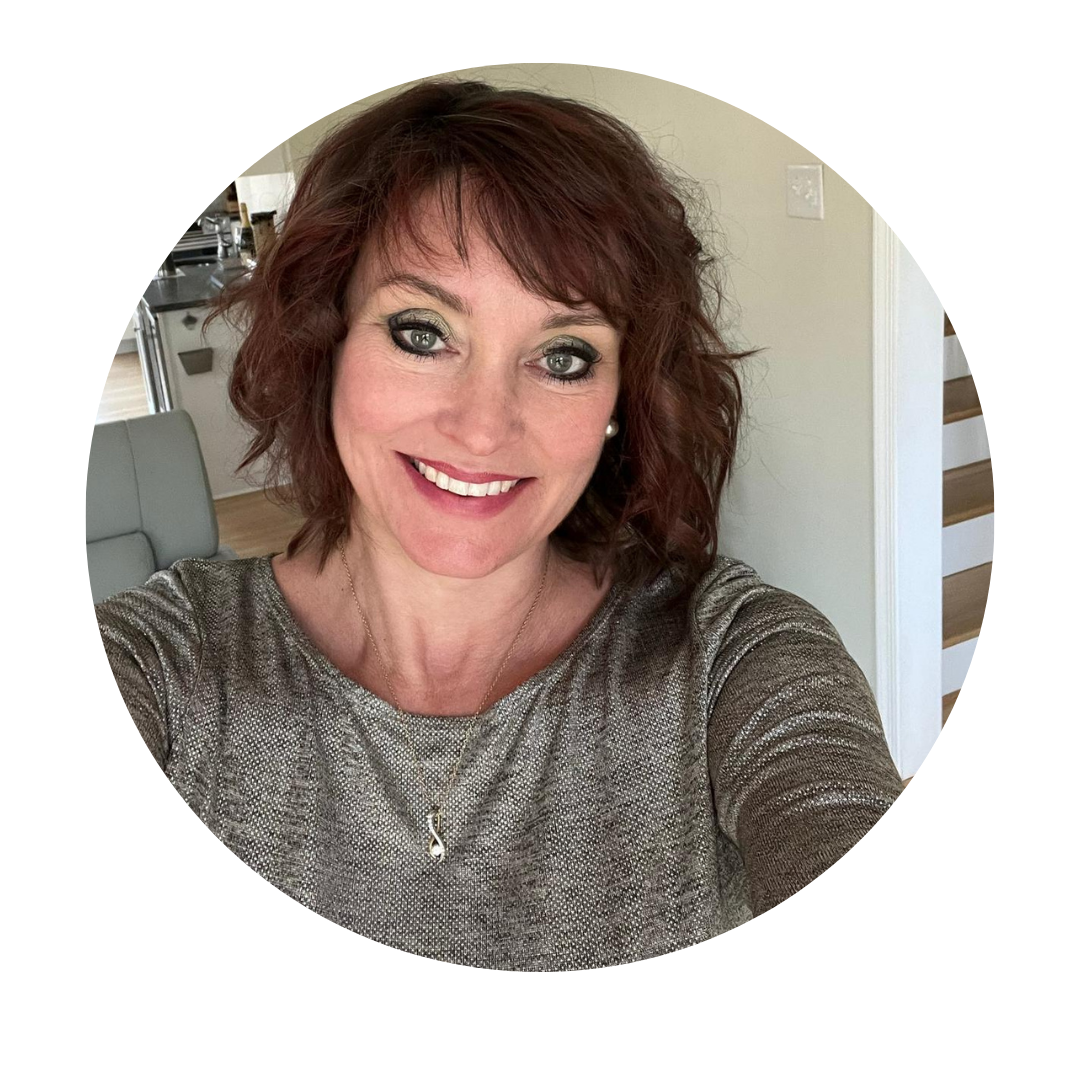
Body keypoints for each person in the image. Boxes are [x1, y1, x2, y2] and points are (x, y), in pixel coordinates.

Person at [94, 79, 905, 970]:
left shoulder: (730, 658)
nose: (484, 429)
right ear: (326, 345)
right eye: (421, 332)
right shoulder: (169, 662)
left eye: (564, 356)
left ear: (619, 403)